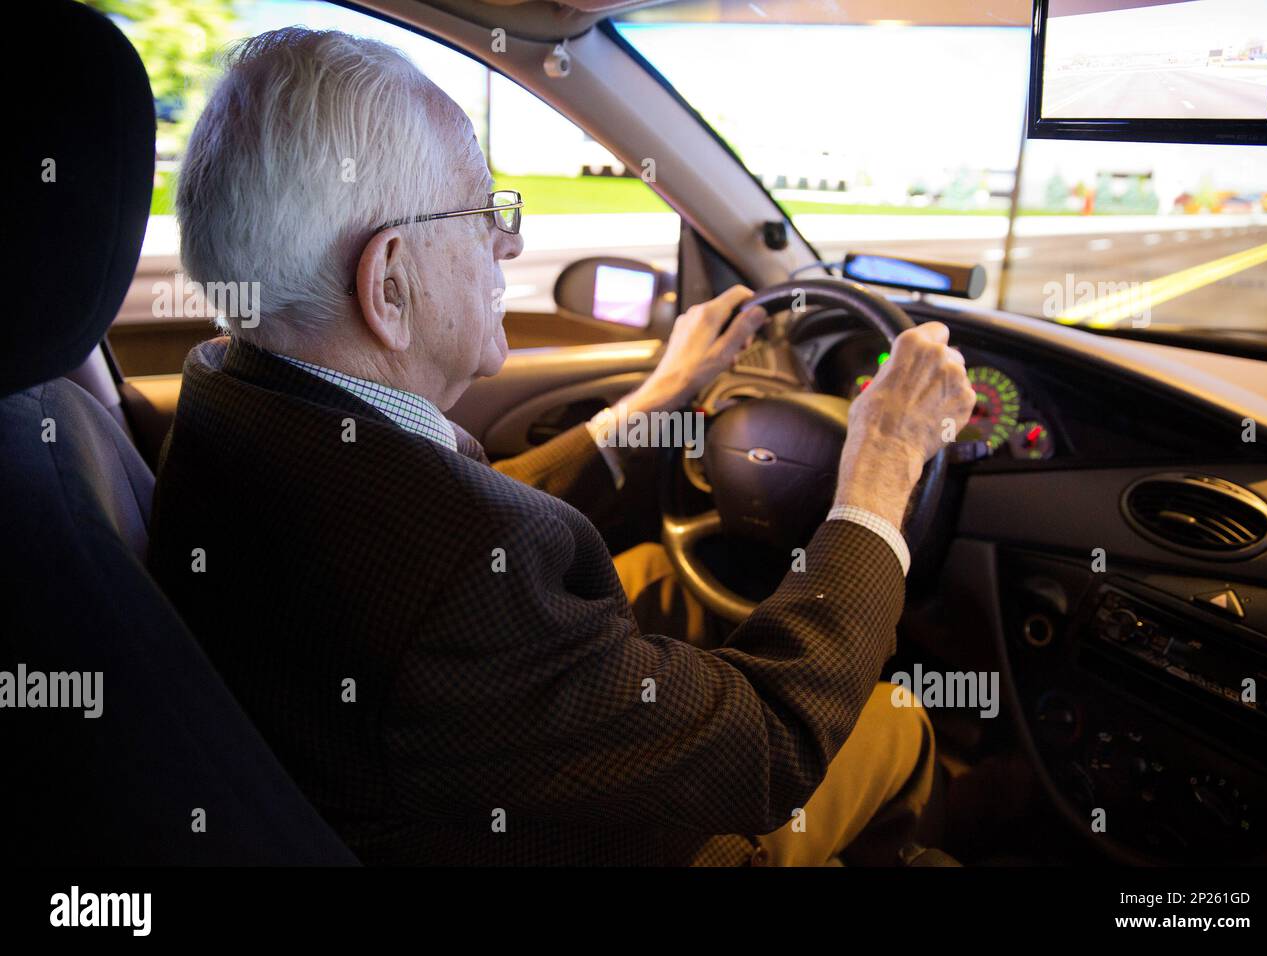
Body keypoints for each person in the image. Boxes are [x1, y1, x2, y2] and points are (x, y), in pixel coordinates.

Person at [149, 27, 976, 866]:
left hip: (401, 778)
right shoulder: (455, 593)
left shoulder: (231, 389)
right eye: (483, 212)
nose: (508, 244)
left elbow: (444, 516)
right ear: (389, 282)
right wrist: (879, 472)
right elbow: (773, 747)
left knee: (658, 573)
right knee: (892, 718)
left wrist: (656, 399)